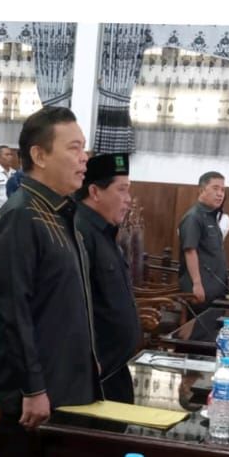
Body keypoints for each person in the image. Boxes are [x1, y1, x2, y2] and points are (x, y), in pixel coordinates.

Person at [0, 106, 98, 437]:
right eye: (74, 148)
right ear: (39, 155)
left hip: (63, 385)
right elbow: (13, 310)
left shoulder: (60, 212)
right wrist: (33, 389)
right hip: (30, 402)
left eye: (84, 147)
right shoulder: (22, 215)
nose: (84, 158)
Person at [74, 153, 139, 404]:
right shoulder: (80, 232)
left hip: (114, 370)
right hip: (93, 377)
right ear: (95, 191)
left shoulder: (104, 232)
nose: (128, 200)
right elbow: (73, 308)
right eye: (121, 190)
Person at [178, 171, 229, 343]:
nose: (220, 193)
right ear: (201, 190)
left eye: (223, 189)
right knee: (197, 340)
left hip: (215, 290)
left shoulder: (212, 216)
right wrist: (197, 284)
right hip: (201, 291)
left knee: (210, 340)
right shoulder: (193, 217)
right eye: (215, 188)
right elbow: (190, 250)